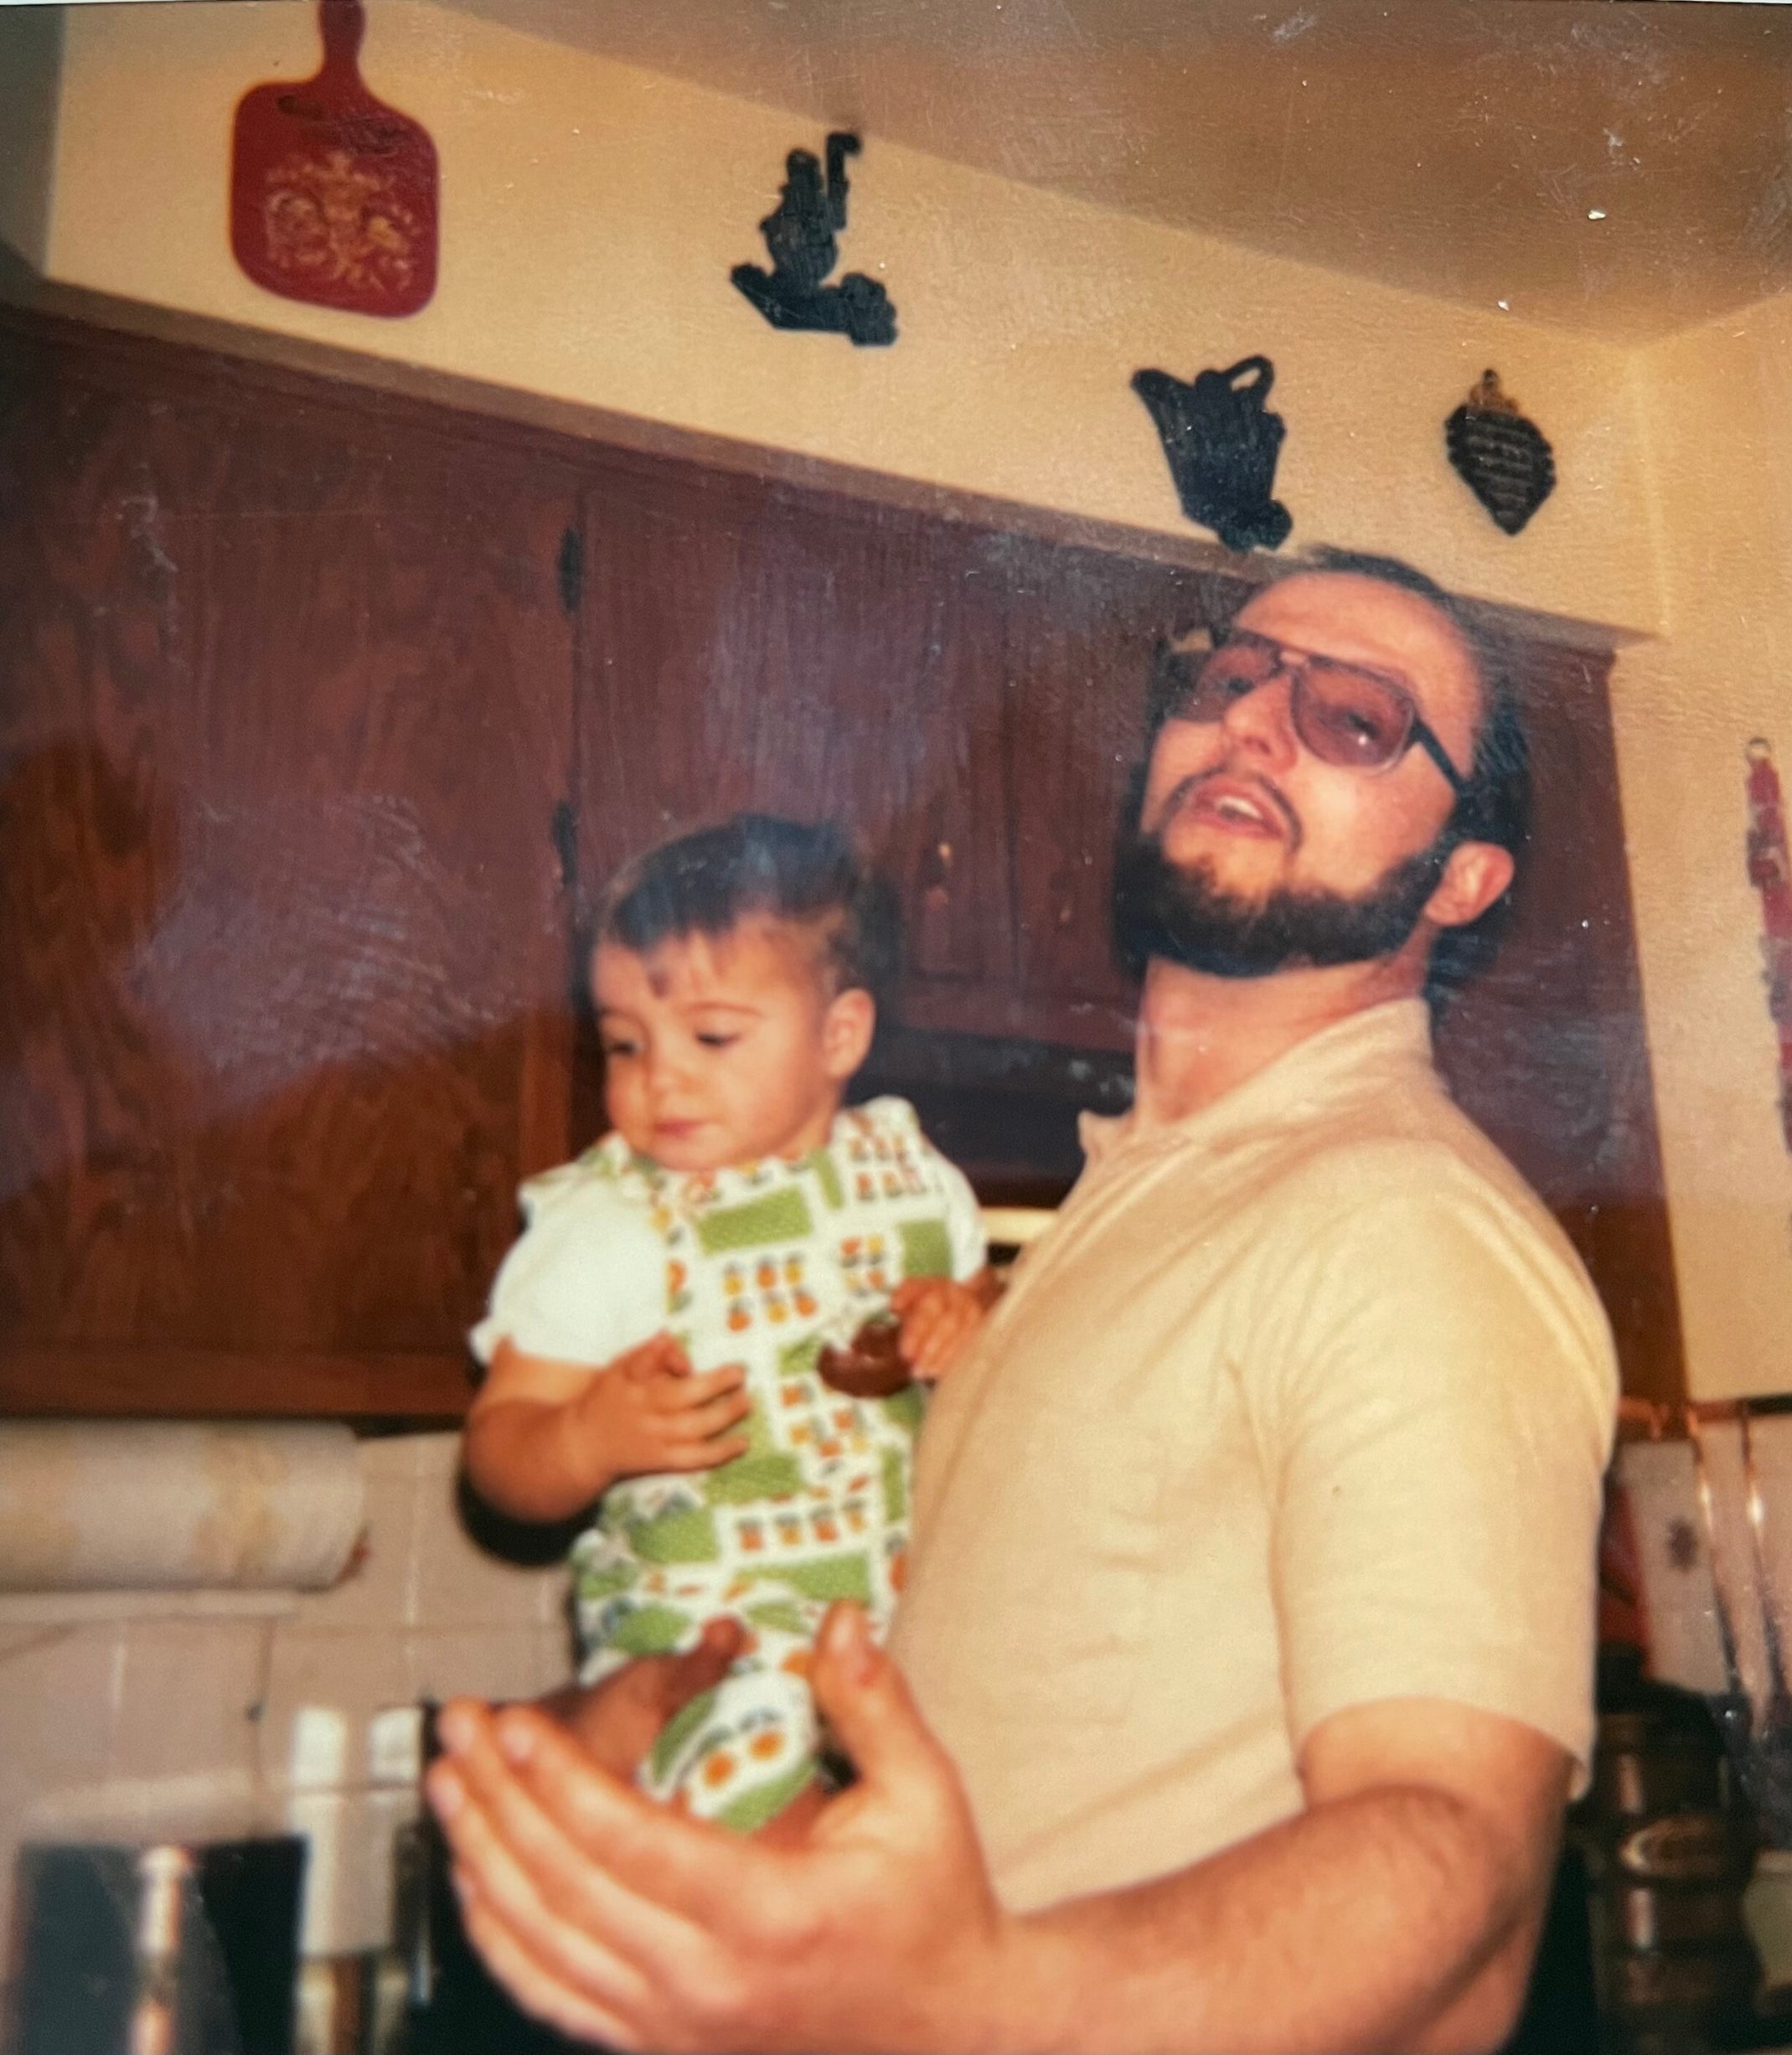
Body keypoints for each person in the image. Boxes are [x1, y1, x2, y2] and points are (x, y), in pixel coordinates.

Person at [428, 555, 1619, 2053]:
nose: (1255, 721)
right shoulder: (1113, 1219)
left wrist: (975, 1998)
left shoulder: (1404, 1225)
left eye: (1356, 720)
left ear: (1460, 878)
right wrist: (644, 1726)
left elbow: (1456, 1860)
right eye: (1230, 676)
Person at [461, 815, 996, 1835]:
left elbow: (997, 1318)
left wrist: (964, 1312)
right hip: (705, 1637)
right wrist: (584, 1438)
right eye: (626, 1042)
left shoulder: (911, 1177)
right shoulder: (612, 1224)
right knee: (779, 1837)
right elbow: (496, 1451)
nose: (660, 1076)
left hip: (901, 1628)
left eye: (710, 1036)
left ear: (839, 1035)